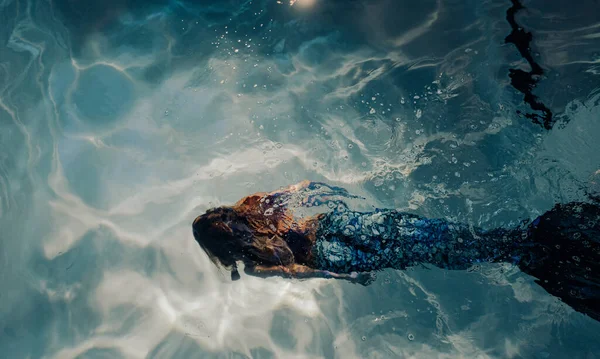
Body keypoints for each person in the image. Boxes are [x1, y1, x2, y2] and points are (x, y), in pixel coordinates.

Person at [192, 181, 600, 322]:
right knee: (425, 234)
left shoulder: (255, 264)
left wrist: (343, 276)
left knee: (420, 252)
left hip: (334, 258)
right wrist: (312, 194)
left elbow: (300, 272)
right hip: (333, 225)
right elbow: (302, 187)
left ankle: (527, 253)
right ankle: (525, 240)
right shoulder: (256, 206)